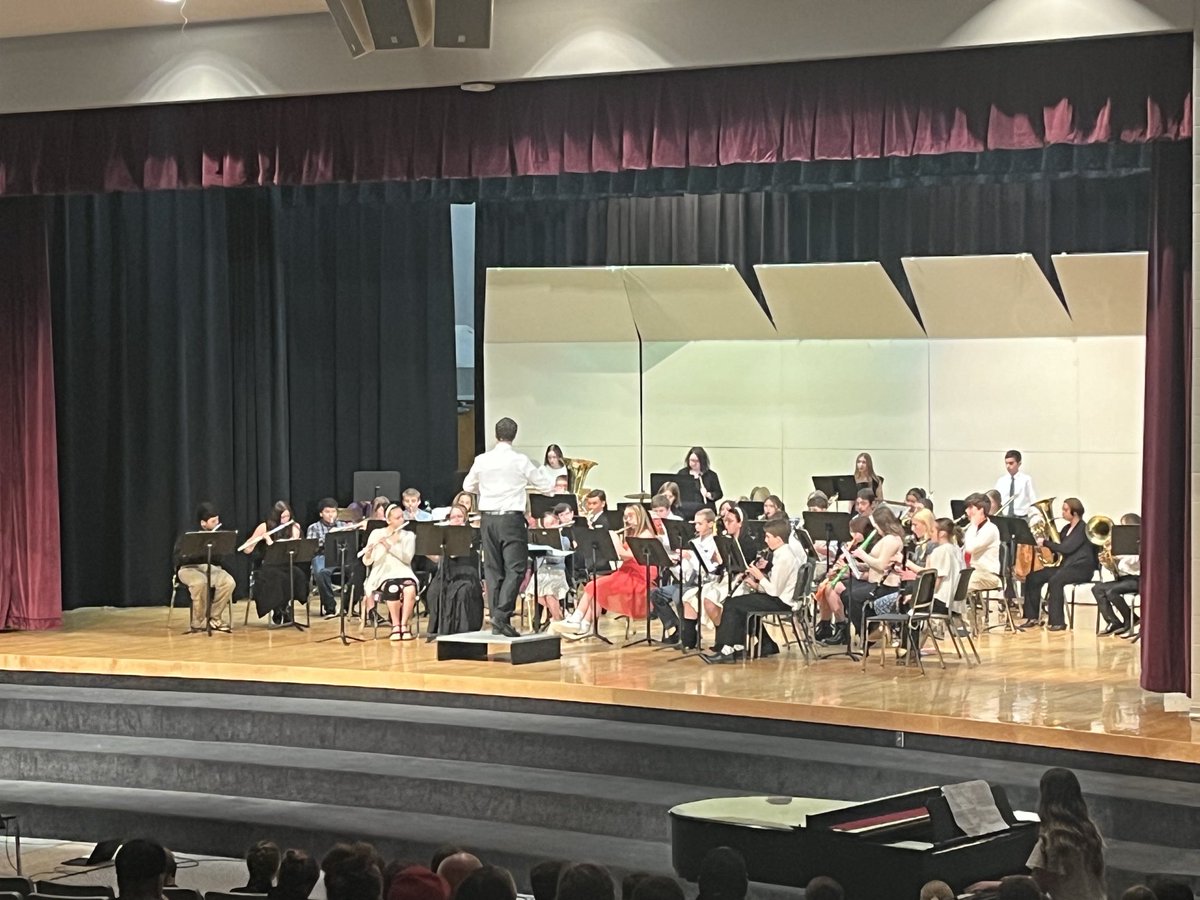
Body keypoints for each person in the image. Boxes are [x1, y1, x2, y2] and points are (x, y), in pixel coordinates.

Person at [463, 417, 556, 636]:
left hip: (488, 519)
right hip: (511, 521)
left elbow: (468, 485)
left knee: (493, 569)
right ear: (514, 436)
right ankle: (501, 615)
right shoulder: (520, 460)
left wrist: (487, 491)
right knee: (516, 568)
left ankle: (498, 620)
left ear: (496, 435)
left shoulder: (482, 460)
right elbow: (547, 487)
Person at [553, 503, 657, 639]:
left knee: (594, 586)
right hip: (626, 573)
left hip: (638, 578)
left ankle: (576, 619)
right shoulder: (634, 533)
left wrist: (614, 538)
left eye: (630, 516)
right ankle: (584, 624)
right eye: (625, 517)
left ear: (640, 516)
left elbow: (625, 556)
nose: (627, 520)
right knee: (597, 590)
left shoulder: (646, 534)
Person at [706, 518, 801, 661]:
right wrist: (755, 581)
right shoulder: (781, 553)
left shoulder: (785, 558)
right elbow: (775, 584)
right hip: (778, 597)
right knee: (741, 604)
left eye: (768, 537)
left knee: (732, 604)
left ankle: (728, 649)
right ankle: (757, 645)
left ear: (779, 539)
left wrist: (759, 576)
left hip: (782, 602)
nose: (765, 540)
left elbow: (774, 591)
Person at [1021, 498, 1097, 631]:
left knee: (1056, 580)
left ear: (1075, 512)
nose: (1062, 512)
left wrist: (1045, 543)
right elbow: (1058, 547)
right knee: (1033, 577)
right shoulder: (1066, 528)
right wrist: (1045, 539)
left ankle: (1058, 622)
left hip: (1081, 569)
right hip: (1066, 567)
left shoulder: (1083, 529)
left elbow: (1066, 548)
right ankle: (1032, 617)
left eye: (1065, 510)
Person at [173, 501, 234, 632]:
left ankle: (214, 618)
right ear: (203, 523)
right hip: (188, 568)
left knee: (228, 582)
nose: (217, 523)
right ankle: (199, 621)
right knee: (200, 582)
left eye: (217, 520)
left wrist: (218, 548)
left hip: (208, 567)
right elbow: (179, 557)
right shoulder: (189, 534)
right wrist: (197, 551)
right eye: (213, 521)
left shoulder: (217, 535)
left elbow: (219, 559)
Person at [243, 500, 307, 625]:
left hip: (286, 564)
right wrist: (259, 539)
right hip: (268, 566)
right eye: (282, 517)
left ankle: (285, 607)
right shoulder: (264, 526)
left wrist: (273, 541)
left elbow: (294, 547)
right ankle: (278, 609)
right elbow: (247, 550)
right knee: (277, 578)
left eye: (287, 516)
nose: (285, 520)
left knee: (297, 575)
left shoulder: (294, 526)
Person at [362, 503, 419, 640]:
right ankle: (395, 626)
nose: (401, 520)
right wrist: (368, 552)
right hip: (383, 574)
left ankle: (404, 625)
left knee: (409, 589)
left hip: (404, 572)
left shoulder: (409, 536)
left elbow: (407, 558)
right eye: (397, 518)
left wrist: (389, 546)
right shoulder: (377, 533)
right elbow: (367, 562)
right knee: (392, 588)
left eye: (402, 517)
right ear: (388, 520)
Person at [425, 504, 485, 636]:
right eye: (453, 517)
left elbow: (454, 554)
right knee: (433, 592)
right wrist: (427, 549)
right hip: (447, 573)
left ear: (465, 518)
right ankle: (438, 629)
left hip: (466, 574)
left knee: (462, 592)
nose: (456, 519)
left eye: (459, 516)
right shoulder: (444, 533)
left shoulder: (471, 533)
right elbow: (437, 559)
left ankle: (461, 628)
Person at [1094, 512, 1141, 635]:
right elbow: (1117, 570)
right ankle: (1113, 622)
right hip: (1124, 579)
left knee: (1111, 592)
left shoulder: (1139, 544)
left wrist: (1117, 557)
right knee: (1097, 588)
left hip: (1137, 579)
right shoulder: (1121, 545)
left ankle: (1130, 619)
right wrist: (1107, 562)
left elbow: (1134, 562)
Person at [532, 508, 571, 629]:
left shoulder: (564, 540)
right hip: (542, 571)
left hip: (556, 572)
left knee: (549, 592)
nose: (552, 526)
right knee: (535, 592)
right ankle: (559, 614)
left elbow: (558, 559)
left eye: (554, 523)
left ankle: (557, 620)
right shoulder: (540, 538)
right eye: (549, 524)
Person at [307, 497, 342, 617]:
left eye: (333, 511)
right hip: (323, 556)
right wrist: (328, 538)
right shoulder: (314, 527)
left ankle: (348, 606)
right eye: (327, 512)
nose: (331, 514)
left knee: (358, 569)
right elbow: (311, 548)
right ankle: (330, 606)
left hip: (341, 555)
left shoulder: (342, 525)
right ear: (321, 514)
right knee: (321, 572)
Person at [962, 492, 1002, 593]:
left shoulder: (991, 529)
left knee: (961, 583)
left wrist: (972, 525)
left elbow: (971, 548)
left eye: (970, 508)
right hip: (974, 572)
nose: (966, 511)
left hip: (987, 574)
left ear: (981, 510)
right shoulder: (973, 528)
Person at [925, 517, 964, 615]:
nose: (930, 534)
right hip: (955, 603)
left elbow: (937, 578)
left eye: (932, 531)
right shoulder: (956, 549)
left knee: (904, 600)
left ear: (942, 533)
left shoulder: (940, 551)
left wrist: (924, 598)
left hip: (942, 602)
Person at [676, 447, 723, 517]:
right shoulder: (682, 473)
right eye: (692, 460)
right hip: (686, 511)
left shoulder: (711, 475)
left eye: (697, 461)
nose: (694, 463)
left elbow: (719, 493)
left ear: (702, 461)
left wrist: (708, 495)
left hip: (705, 512)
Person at [996, 449, 1037, 518]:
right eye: (1006, 463)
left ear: (1019, 464)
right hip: (1005, 517)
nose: (1008, 466)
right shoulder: (1001, 481)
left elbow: (1032, 498)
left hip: (1021, 517)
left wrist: (1035, 515)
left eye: (1011, 463)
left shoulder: (1026, 479)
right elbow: (995, 499)